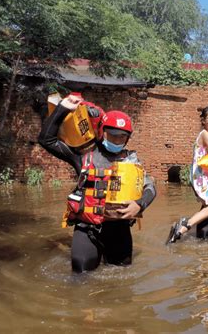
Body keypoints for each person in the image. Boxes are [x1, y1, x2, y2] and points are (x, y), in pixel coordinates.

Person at [39, 94, 156, 273]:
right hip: (87, 229)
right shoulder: (83, 155)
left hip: (119, 230)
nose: (117, 140)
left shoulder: (131, 160)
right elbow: (46, 139)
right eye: (113, 135)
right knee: (80, 277)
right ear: (102, 131)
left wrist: (140, 205)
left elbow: (150, 187)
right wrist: (63, 108)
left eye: (122, 137)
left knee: (121, 281)